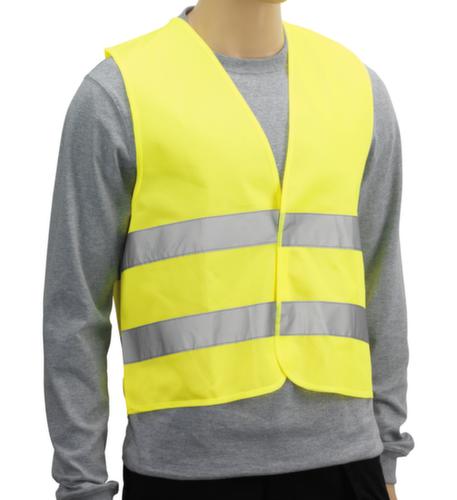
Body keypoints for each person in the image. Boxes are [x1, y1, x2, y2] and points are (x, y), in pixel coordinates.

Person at [43, 1, 414, 499]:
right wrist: (82, 484)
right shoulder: (118, 94)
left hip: (348, 464)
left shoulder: (358, 88)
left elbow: (381, 276)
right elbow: (74, 308)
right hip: (182, 472)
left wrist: (387, 454)